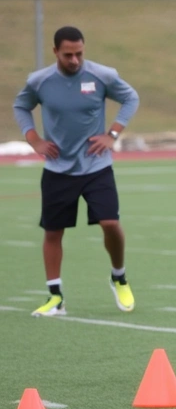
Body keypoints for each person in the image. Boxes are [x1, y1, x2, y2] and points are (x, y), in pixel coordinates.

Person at [13, 26, 140, 317]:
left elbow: (130, 98)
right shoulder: (39, 81)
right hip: (58, 169)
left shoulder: (101, 75)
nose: (74, 60)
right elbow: (21, 106)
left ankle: (118, 275)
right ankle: (55, 297)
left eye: (79, 53)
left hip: (97, 166)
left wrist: (112, 134)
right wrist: (33, 139)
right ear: (55, 51)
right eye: (68, 54)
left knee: (110, 223)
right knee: (53, 232)